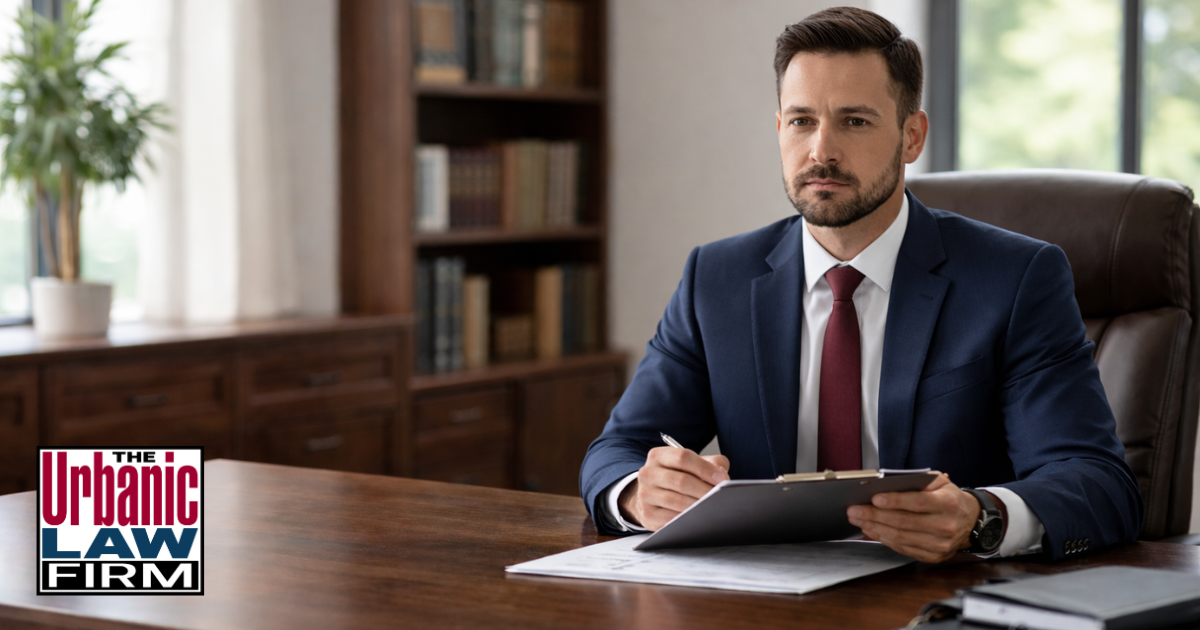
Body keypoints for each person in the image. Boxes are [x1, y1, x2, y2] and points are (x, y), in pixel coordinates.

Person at [579, 6, 1142, 563]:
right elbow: (618, 450)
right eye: (801, 120)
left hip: (936, 601)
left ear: (912, 136)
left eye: (854, 121)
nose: (821, 150)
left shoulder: (1016, 279)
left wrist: (981, 517)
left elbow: (1098, 482)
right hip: (760, 603)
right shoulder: (717, 279)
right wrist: (635, 493)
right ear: (779, 129)